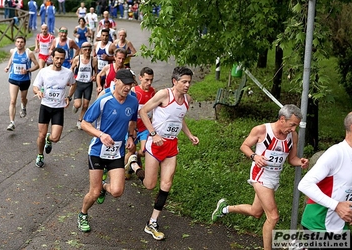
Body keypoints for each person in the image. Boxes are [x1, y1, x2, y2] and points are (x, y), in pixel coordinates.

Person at [211, 104, 309, 250]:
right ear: (282, 119)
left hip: (274, 177)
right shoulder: (261, 130)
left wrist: (300, 162)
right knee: (273, 217)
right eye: (292, 125)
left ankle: (225, 208)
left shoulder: (292, 136)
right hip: (260, 176)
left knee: (256, 212)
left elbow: (292, 159)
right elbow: (244, 146)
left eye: (295, 126)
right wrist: (254, 156)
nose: (293, 129)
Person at [124, 66, 199, 240]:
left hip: (171, 145)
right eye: (184, 82)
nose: (187, 85)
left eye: (189, 82)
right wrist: (153, 133)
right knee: (150, 185)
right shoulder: (164, 95)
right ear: (175, 81)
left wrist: (190, 136)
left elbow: (180, 119)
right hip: (155, 144)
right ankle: (134, 164)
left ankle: (152, 222)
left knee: (166, 183)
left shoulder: (187, 99)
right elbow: (143, 112)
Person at [77, 68, 138, 233]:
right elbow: (84, 123)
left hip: (117, 151)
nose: (127, 88)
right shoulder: (104, 100)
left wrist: (131, 136)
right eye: (125, 84)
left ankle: (105, 186)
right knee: (94, 193)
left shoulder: (133, 101)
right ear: (116, 81)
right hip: (98, 149)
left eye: (130, 85)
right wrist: (101, 135)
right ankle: (83, 214)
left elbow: (132, 120)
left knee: (117, 191)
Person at [298, 112, 352, 248]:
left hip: (340, 226)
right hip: (319, 225)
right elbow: (305, 184)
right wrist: (337, 206)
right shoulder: (337, 153)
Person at [33, 47, 76, 168]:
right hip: (45, 106)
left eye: (62, 59)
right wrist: (38, 92)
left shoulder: (68, 73)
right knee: (41, 135)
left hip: (58, 108)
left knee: (55, 138)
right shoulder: (44, 72)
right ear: (52, 57)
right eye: (57, 58)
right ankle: (40, 155)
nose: (59, 61)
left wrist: (69, 96)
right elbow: (35, 86)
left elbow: (74, 84)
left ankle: (49, 138)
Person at [124, 67, 155, 179]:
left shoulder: (153, 92)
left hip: (145, 128)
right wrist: (131, 131)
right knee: (130, 150)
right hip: (133, 128)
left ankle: (136, 157)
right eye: (146, 80)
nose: (149, 83)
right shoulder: (133, 92)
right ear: (140, 78)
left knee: (143, 151)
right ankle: (127, 169)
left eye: (151, 80)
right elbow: (129, 112)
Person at [4, 36, 39, 131]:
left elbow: (37, 65)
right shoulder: (13, 51)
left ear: (25, 43)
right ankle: (12, 122)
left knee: (23, 98)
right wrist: (8, 66)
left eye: (22, 42)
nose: (19, 44)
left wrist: (28, 70)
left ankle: (23, 106)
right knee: (12, 100)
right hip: (13, 78)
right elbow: (11, 59)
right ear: (15, 43)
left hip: (25, 80)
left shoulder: (29, 53)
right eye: (18, 42)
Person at [70, 42, 97, 130]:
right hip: (78, 83)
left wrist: (94, 77)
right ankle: (75, 106)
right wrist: (71, 79)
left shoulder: (94, 60)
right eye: (85, 50)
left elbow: (96, 73)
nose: (87, 51)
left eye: (89, 49)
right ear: (82, 50)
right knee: (78, 104)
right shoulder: (77, 59)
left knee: (85, 105)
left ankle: (80, 120)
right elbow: (72, 69)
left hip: (88, 84)